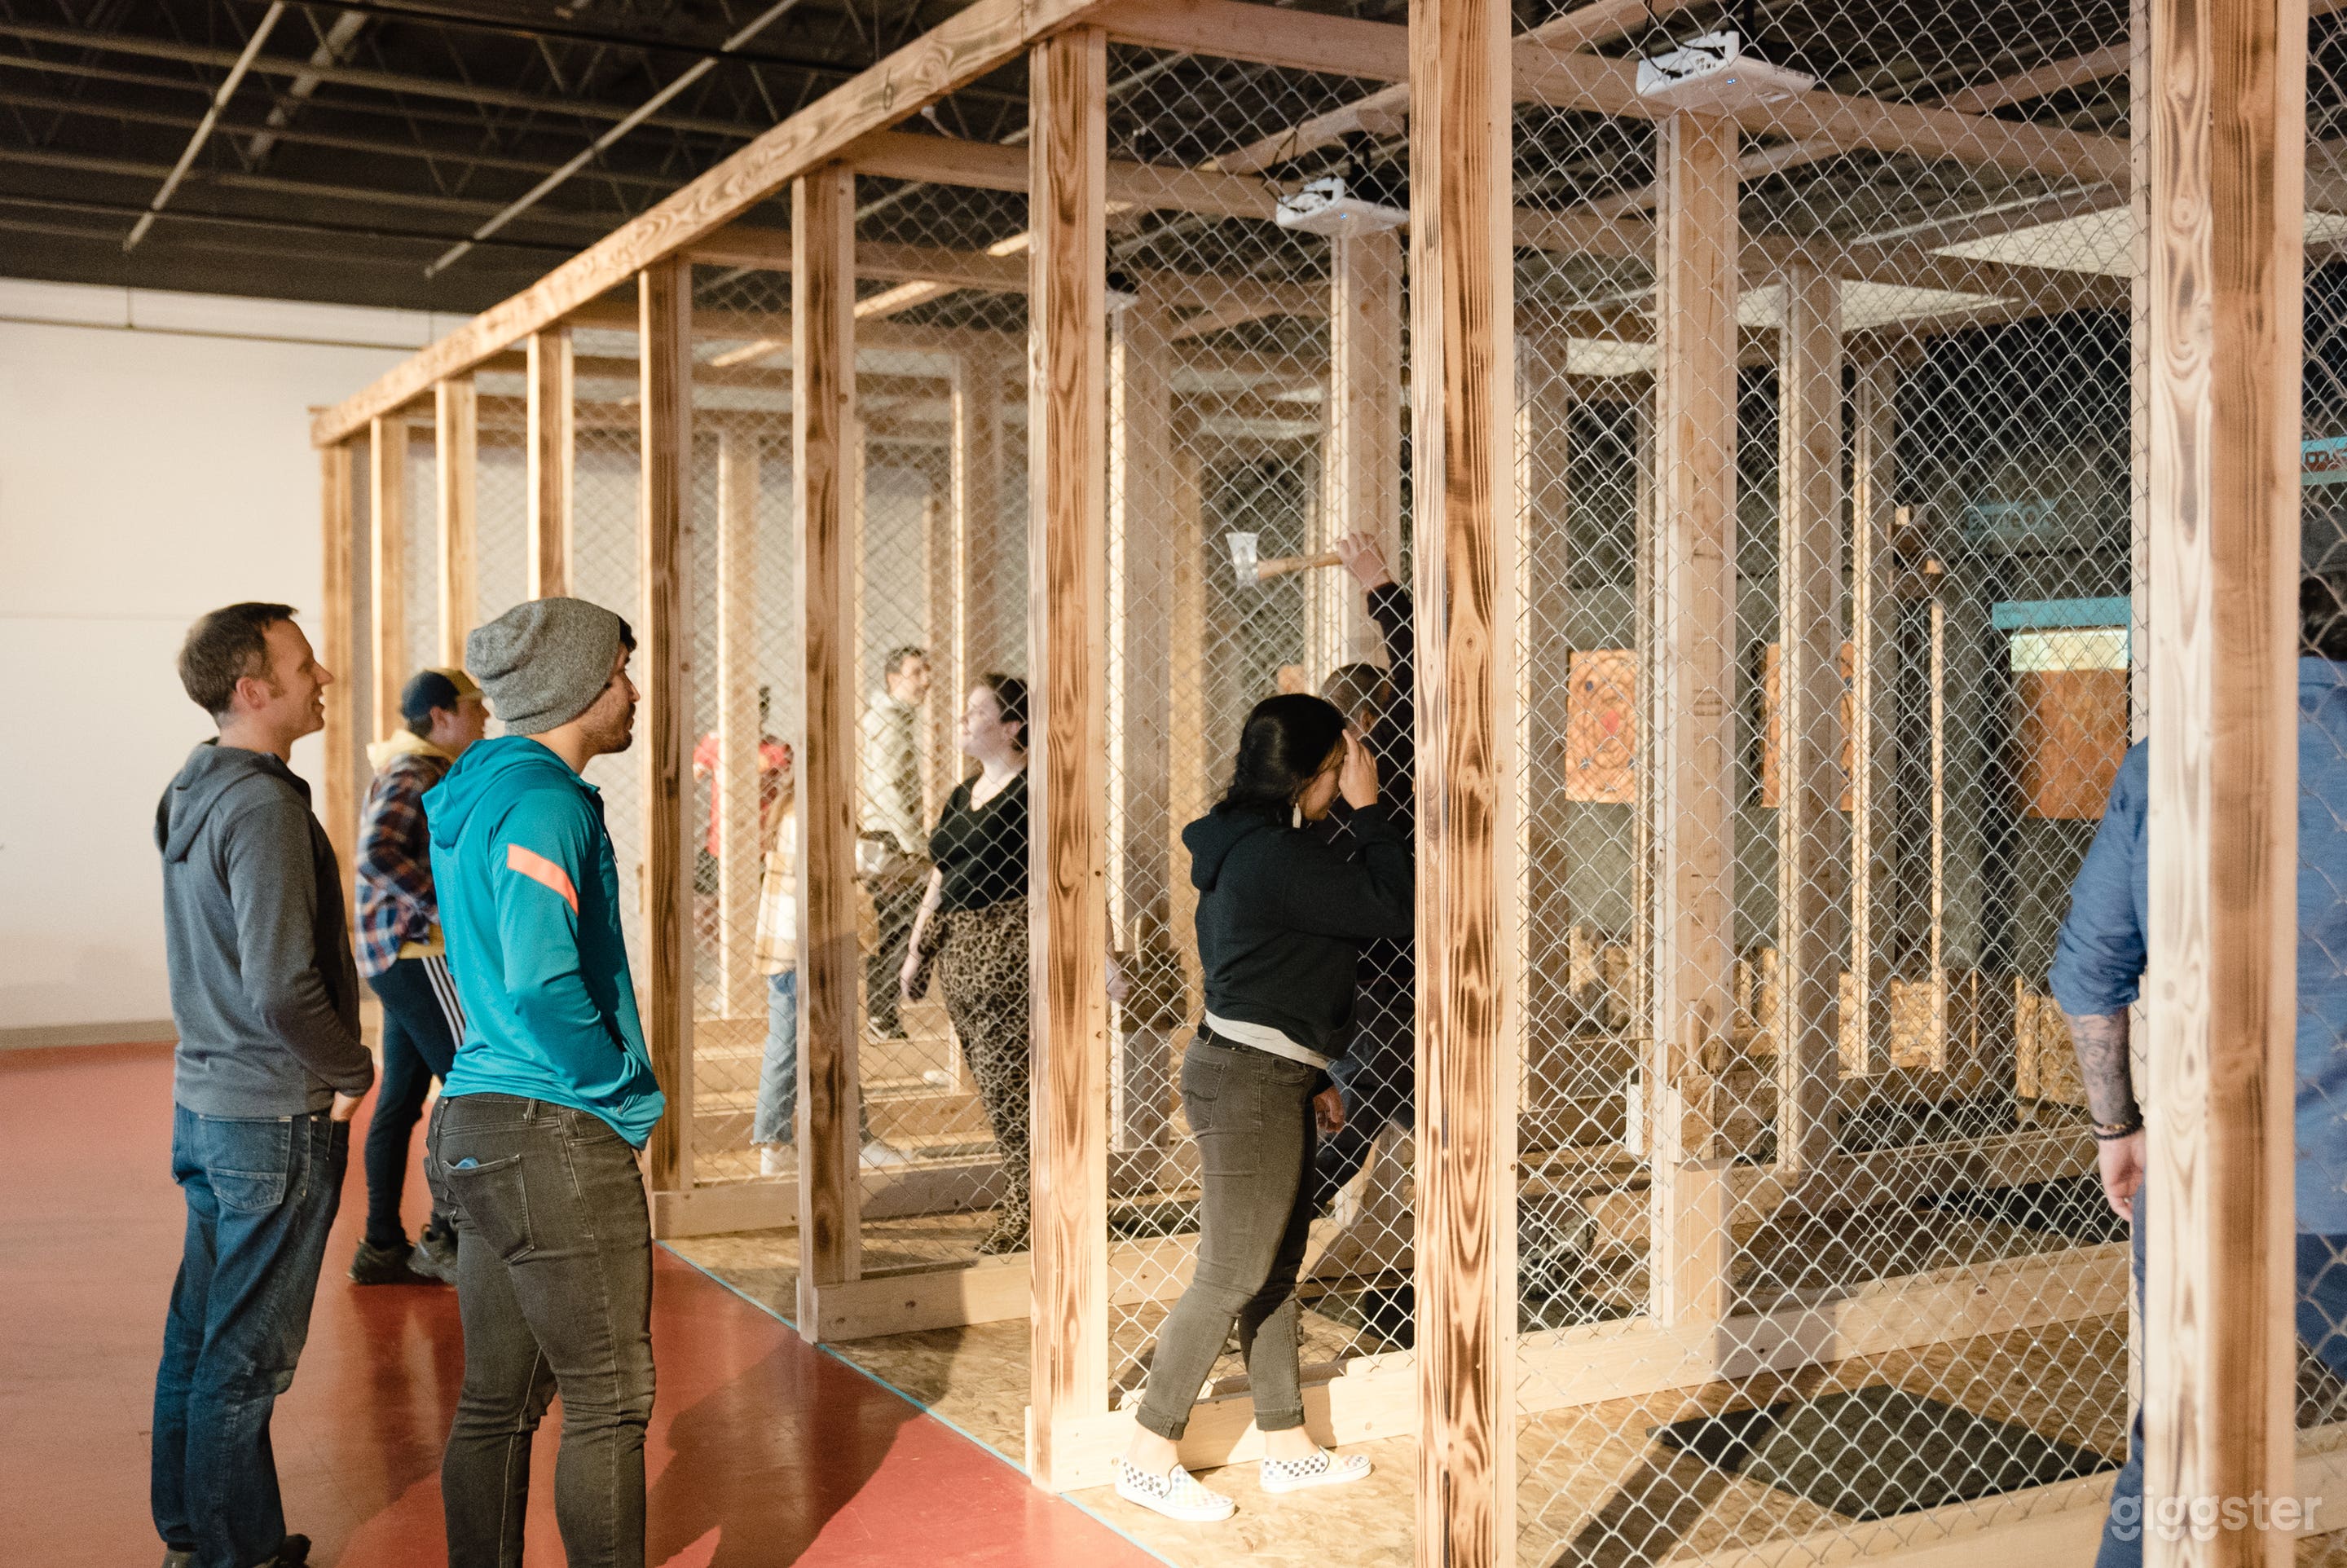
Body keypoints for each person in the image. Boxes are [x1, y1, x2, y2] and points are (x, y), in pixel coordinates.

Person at [2054, 572, 2347, 1568]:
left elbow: (2087, 973)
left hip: (2196, 1177)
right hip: (2339, 1185)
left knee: (2175, 1446)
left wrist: (2116, 1128)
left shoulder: (2164, 763)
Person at [1116, 694, 1413, 1523]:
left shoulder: (1246, 843)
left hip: (1264, 1066)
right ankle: (1146, 1453)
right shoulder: (1278, 854)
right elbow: (1395, 906)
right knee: (1231, 1273)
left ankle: (1285, 1446)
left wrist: (1314, 1069)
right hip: (1247, 1078)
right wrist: (1371, 807)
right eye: (1335, 770)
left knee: (1273, 1268)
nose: (1340, 786)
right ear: (1316, 773)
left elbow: (1267, 964)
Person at [422, 597, 666, 1568]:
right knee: (610, 1401)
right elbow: (537, 974)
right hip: (552, 1129)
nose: (633, 690)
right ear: (576, 686)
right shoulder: (545, 803)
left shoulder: (480, 785)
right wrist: (614, 1082)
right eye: (619, 672)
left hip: (479, 1117)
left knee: (498, 1401)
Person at [152, 601, 376, 1568]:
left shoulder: (195, 785)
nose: (322, 674)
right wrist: (352, 1067)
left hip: (209, 1105)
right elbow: (283, 980)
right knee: (243, 1364)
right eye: (302, 663)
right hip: (272, 1117)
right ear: (253, 690)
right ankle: (233, 1556)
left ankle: (199, 1535)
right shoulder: (263, 808)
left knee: (202, 1341)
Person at [350, 667, 487, 1287]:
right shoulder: (416, 772)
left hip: (392, 956)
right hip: (416, 953)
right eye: (472, 707)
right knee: (471, 1088)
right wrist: (443, 905)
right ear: (440, 715)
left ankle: (382, 1245)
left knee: (403, 1099)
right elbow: (377, 854)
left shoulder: (410, 766)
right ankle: (447, 1237)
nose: (484, 718)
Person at [901, 674, 1032, 1255]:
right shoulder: (962, 793)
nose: (963, 720)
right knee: (993, 1084)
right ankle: (1026, 1194)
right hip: (958, 957)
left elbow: (1072, 867)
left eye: (977, 711)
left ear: (1011, 726)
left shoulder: (1033, 790)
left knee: (1012, 1087)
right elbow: (942, 874)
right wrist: (913, 951)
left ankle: (1031, 1205)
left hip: (1007, 952)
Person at [1311, 532, 1418, 1209]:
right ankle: (1298, 1202)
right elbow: (1418, 664)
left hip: (1345, 978)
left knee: (1389, 1098)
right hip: (1390, 974)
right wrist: (1378, 585)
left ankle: (1296, 1202)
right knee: (1373, 1098)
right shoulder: (1391, 755)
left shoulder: (1311, 780)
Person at [863, 646, 933, 1041]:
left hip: (890, 837)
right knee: (897, 925)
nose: (925, 680)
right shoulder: (889, 723)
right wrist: (914, 846)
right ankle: (882, 1016)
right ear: (892, 679)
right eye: (915, 672)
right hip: (892, 841)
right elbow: (887, 789)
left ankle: (883, 1015)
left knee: (894, 925)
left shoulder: (894, 718)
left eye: (927, 671)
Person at [750, 750, 800, 1178]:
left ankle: (857, 1137)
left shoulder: (787, 809)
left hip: (787, 945)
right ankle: (773, 1138)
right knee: (787, 1041)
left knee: (797, 1039)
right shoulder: (803, 816)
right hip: (798, 947)